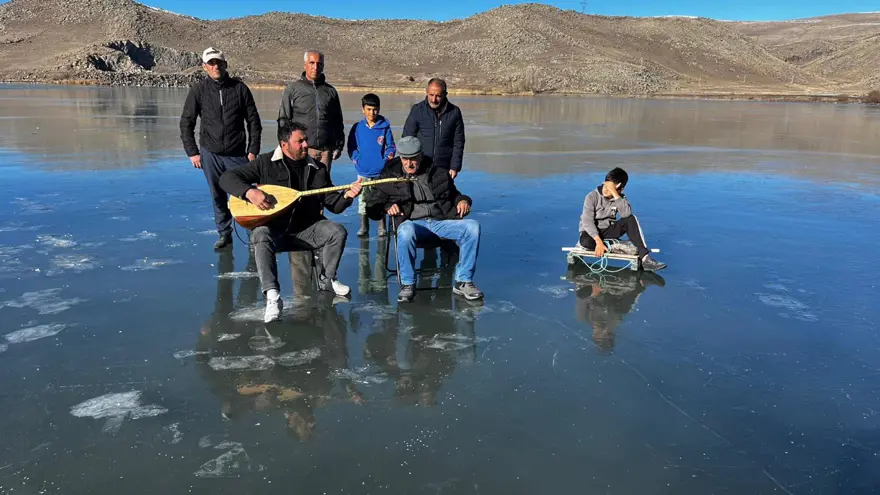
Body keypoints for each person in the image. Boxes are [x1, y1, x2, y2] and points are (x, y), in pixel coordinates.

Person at [219, 122, 362, 323]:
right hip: (275, 231)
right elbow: (227, 178)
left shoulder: (317, 168)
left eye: (306, 140)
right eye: (300, 141)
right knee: (259, 234)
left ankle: (327, 279)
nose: (306, 145)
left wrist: (347, 196)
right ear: (284, 144)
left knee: (336, 231)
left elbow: (333, 205)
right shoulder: (265, 163)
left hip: (306, 230)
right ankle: (273, 296)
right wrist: (250, 192)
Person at [366, 136, 482, 303]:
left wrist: (463, 200)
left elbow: (454, 194)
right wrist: (386, 207)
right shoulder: (390, 174)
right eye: (405, 159)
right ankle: (408, 284)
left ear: (420, 155)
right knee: (405, 231)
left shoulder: (437, 172)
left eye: (413, 159)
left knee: (472, 227)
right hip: (413, 225)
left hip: (440, 222)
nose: (409, 163)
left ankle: (464, 281)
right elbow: (372, 204)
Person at [180, 47, 262, 250]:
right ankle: (225, 234)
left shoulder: (240, 89)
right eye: (211, 63)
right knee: (218, 195)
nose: (216, 66)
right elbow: (186, 122)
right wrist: (192, 152)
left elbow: (253, 121)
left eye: (219, 62)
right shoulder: (198, 90)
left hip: (237, 154)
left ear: (225, 65)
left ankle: (253, 234)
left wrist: (253, 150)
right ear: (204, 67)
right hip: (211, 154)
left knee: (247, 194)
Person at [578, 167, 667, 272]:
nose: (606, 190)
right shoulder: (591, 196)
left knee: (631, 219)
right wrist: (598, 242)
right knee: (585, 242)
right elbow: (587, 221)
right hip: (592, 234)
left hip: (608, 230)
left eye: (610, 188)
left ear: (620, 188)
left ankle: (645, 259)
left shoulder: (620, 198)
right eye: (606, 186)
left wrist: (615, 194)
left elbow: (626, 214)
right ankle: (615, 245)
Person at [278, 50, 344, 174]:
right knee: (302, 187)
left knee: (322, 188)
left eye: (319, 64)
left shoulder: (330, 91)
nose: (315, 67)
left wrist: (339, 146)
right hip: (301, 150)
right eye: (312, 63)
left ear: (323, 66)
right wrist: (284, 146)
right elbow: (284, 120)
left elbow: (337, 121)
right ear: (305, 65)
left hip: (325, 152)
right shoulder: (293, 89)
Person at [347, 93, 396, 238]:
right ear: (363, 109)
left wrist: (385, 161)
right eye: (368, 109)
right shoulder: (357, 128)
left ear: (379, 109)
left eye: (374, 109)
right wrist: (357, 159)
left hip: (380, 173)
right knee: (363, 200)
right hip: (363, 172)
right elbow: (351, 147)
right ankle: (364, 226)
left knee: (380, 199)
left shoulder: (385, 127)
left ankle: (381, 227)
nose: (371, 113)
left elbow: (391, 147)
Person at [402, 78, 465, 178]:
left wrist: (454, 167)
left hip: (444, 168)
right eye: (431, 95)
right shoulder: (417, 110)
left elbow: (458, 142)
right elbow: (407, 138)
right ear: (426, 92)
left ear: (445, 94)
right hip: (420, 166)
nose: (433, 99)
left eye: (438, 96)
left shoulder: (454, 112)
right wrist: (409, 165)